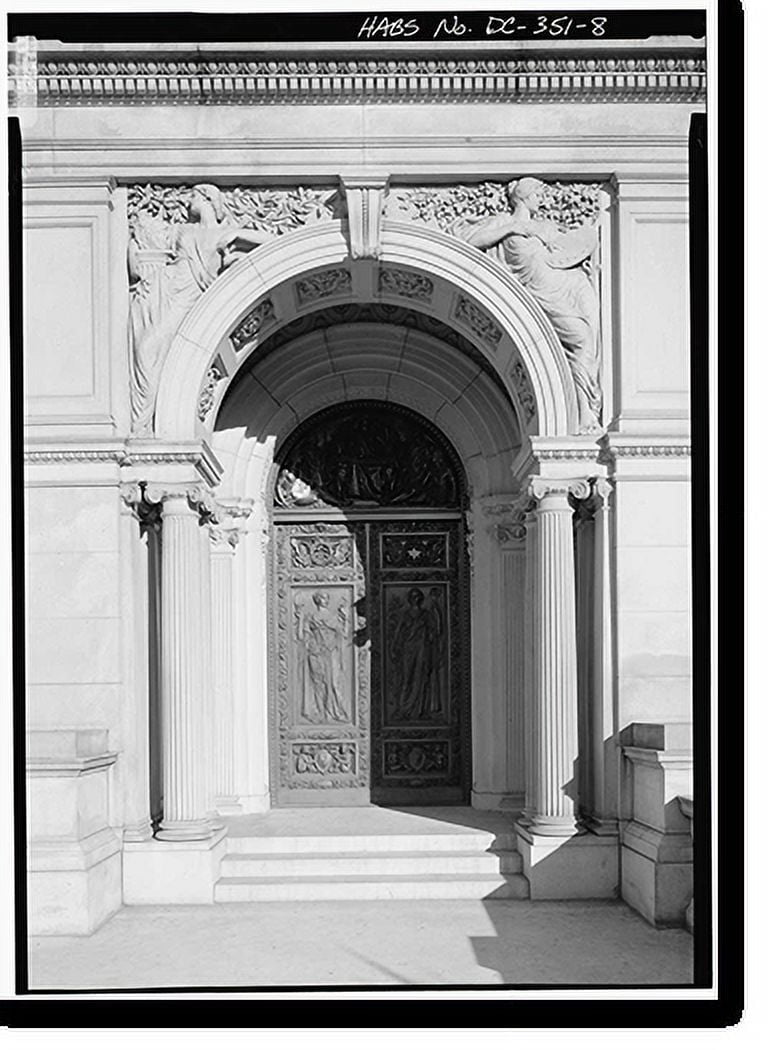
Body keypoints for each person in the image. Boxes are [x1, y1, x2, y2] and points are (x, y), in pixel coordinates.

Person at [129, 183, 273, 434]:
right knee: (144, 349)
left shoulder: (225, 232)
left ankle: (143, 425)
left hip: (188, 299)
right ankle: (141, 426)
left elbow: (272, 242)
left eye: (194, 196)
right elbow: (148, 240)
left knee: (150, 349)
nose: (188, 202)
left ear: (208, 198)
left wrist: (239, 235)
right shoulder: (183, 229)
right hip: (165, 291)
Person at [462, 177, 602, 433]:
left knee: (585, 339)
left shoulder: (544, 226)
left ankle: (586, 412)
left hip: (564, 287)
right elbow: (470, 241)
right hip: (536, 294)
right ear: (524, 197)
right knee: (581, 340)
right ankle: (584, 411)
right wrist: (512, 229)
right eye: (538, 195)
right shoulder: (504, 222)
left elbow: (568, 249)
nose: (542, 200)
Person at [296, 591, 349, 724]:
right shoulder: (311, 617)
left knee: (334, 683)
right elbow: (301, 637)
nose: (326, 600)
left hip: (331, 653)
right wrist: (301, 619)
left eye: (327, 598)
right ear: (317, 599)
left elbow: (344, 634)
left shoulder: (333, 616)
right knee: (319, 684)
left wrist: (346, 618)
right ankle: (322, 713)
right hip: (317, 653)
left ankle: (337, 712)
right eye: (323, 598)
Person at [390, 587, 443, 721]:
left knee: (421, 678)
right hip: (408, 650)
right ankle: (403, 709)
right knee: (406, 679)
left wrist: (436, 606)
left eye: (418, 596)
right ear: (409, 599)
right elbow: (398, 633)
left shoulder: (426, 615)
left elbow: (436, 630)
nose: (416, 599)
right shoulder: (406, 615)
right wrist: (394, 648)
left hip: (422, 651)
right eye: (413, 597)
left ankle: (420, 710)